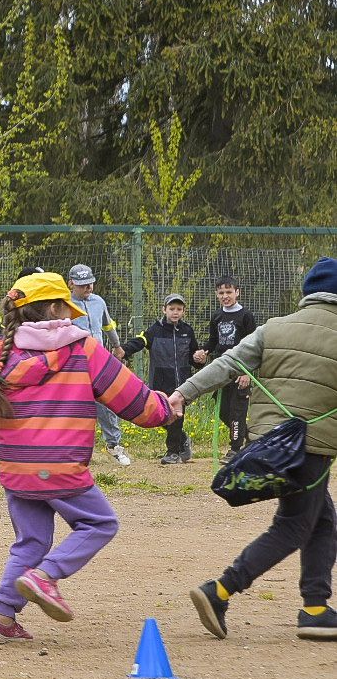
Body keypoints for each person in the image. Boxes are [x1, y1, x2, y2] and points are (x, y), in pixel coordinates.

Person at [0, 272, 174, 643]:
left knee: (31, 542)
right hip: (59, 464)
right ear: (58, 308)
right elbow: (134, 401)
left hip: (16, 467)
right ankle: (45, 577)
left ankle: (1, 619)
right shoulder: (82, 349)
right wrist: (166, 410)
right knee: (100, 524)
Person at [174, 257, 337, 641]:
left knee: (323, 522)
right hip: (312, 447)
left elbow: (226, 365)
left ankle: (315, 608)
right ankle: (220, 590)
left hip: (271, 442)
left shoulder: (274, 328)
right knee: (294, 525)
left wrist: (183, 393)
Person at [121, 294, 200, 464]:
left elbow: (194, 357)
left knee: (177, 417)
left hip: (182, 384)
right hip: (160, 382)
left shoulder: (188, 331)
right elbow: (140, 342)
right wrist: (124, 350)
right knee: (159, 416)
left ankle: (173, 452)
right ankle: (183, 440)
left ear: (184, 312)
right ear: (164, 310)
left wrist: (199, 359)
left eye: (179, 309)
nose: (175, 312)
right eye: (172, 309)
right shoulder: (155, 330)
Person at [66, 264, 131, 467]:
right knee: (76, 407)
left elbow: (107, 325)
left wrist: (117, 346)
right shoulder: (64, 305)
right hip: (74, 364)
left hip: (99, 361)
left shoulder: (98, 302)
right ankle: (75, 451)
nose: (88, 288)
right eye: (83, 285)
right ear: (71, 284)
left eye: (90, 284)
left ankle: (115, 445)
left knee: (106, 402)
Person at [196, 275, 258, 455]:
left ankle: (235, 449)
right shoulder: (217, 316)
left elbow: (253, 346)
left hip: (241, 370)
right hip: (222, 369)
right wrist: (204, 351)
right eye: (221, 292)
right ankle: (252, 439)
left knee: (237, 410)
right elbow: (214, 341)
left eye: (229, 292)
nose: (225, 296)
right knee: (223, 411)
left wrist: (247, 372)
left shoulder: (246, 316)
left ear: (237, 292)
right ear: (217, 294)